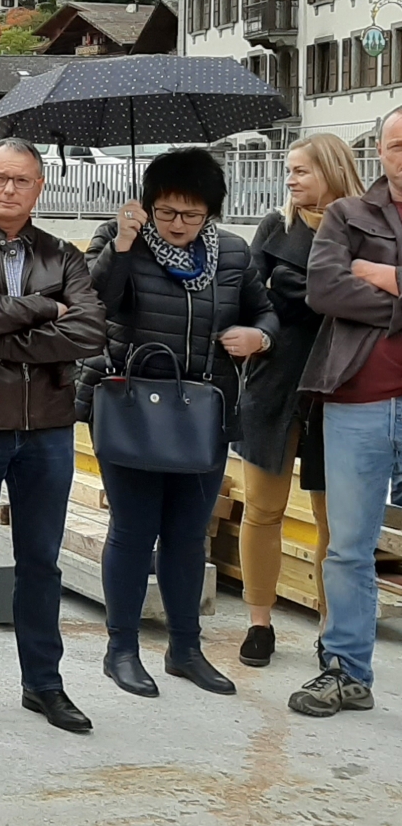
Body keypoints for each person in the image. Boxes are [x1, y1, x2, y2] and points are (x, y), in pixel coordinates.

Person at [79, 148, 275, 700]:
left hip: (204, 413)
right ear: (148, 205)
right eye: (166, 212)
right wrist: (121, 244)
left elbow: (265, 311)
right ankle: (121, 648)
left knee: (189, 537)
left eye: (191, 216)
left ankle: (185, 649)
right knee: (134, 531)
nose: (178, 225)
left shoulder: (233, 253)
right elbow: (95, 301)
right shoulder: (121, 240)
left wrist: (261, 338)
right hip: (132, 409)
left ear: (211, 213)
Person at [0, 139, 108, 734]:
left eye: (22, 181)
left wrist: (0, 337)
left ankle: (44, 684)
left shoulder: (65, 255)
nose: (9, 190)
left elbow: (87, 330)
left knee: (41, 562)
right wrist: (40, 308)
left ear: (39, 187)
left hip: (47, 431)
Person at [232, 133, 361, 667]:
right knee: (264, 508)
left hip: (341, 383)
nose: (290, 180)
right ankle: (259, 622)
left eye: (301, 170)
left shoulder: (363, 228)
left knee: (339, 520)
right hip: (276, 379)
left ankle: (334, 632)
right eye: (289, 171)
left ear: (332, 170)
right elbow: (254, 300)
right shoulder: (276, 226)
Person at [296, 106, 402, 717]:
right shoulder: (347, 213)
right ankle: (346, 670)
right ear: (379, 152)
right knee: (349, 547)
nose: (400, 152)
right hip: (356, 400)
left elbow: (349, 287)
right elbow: (325, 289)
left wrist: (384, 275)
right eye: (393, 144)